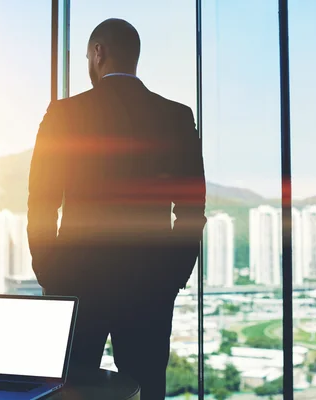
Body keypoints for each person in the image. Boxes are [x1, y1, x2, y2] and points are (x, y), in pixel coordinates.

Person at [27, 18, 206, 400]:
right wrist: (173, 277)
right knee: (146, 390)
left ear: (98, 52)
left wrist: (48, 272)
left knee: (64, 392)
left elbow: (41, 202)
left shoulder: (63, 114)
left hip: (73, 284)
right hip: (150, 289)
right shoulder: (176, 116)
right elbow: (192, 209)